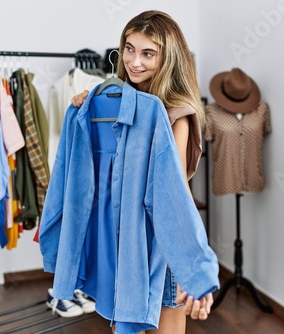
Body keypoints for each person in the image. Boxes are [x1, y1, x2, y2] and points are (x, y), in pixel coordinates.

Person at [70, 10, 215, 334]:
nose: (135, 62)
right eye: (129, 48)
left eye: (148, 53)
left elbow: (172, 194)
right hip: (124, 240)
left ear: (168, 58)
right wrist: (91, 103)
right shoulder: (119, 103)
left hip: (161, 245)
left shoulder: (177, 113)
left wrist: (191, 261)